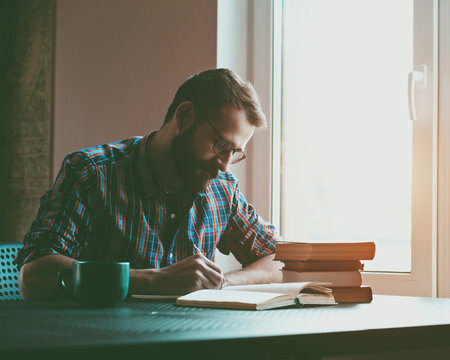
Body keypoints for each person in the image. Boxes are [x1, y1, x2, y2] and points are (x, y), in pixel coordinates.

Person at [15, 68, 282, 300]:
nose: (224, 164)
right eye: (221, 145)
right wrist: (156, 280)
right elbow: (35, 275)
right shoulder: (92, 173)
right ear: (184, 116)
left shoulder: (223, 190)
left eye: (235, 153)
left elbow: (279, 260)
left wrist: (221, 283)